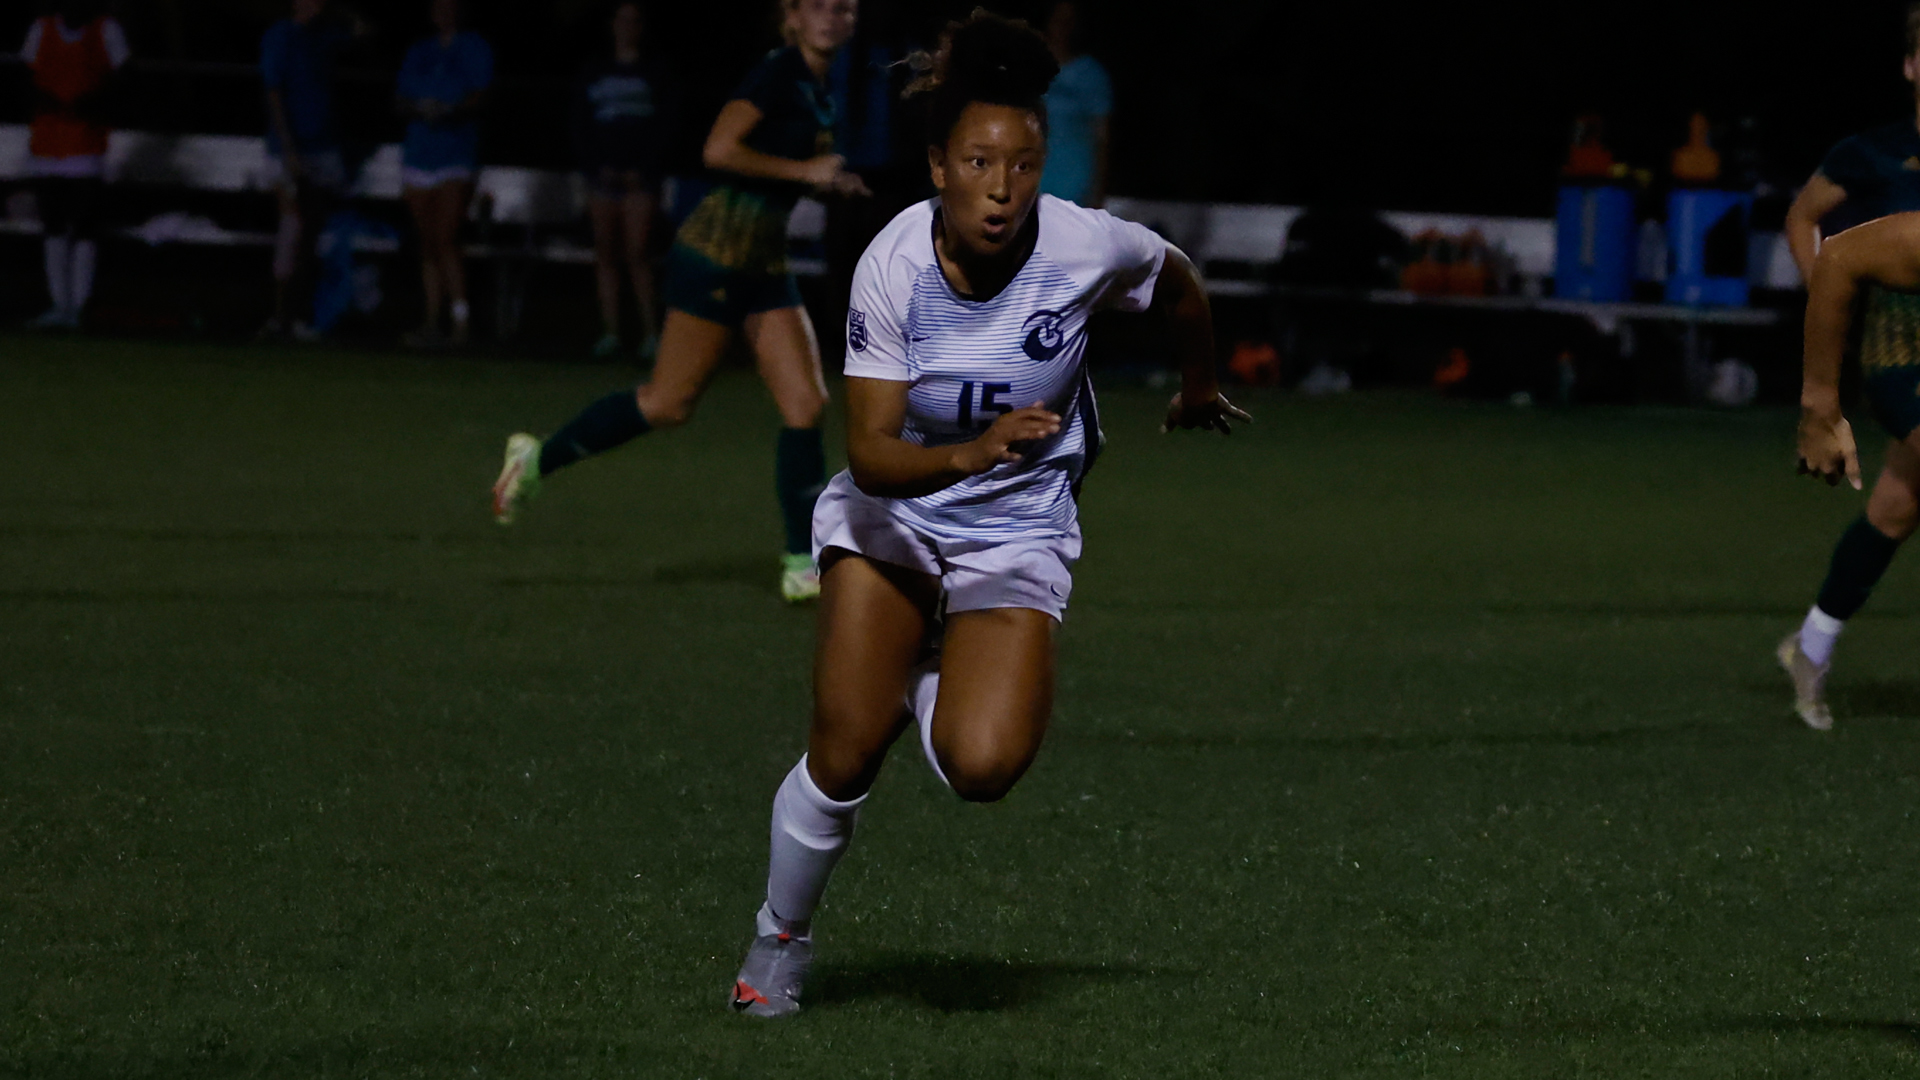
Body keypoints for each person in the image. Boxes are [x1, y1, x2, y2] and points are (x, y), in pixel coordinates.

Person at [724, 11, 1248, 1018]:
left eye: (1022, 164)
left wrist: (1195, 385)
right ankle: (777, 942)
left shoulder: (1085, 245)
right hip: (896, 524)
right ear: (937, 167)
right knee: (843, 751)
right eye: (977, 162)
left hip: (1017, 530)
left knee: (985, 766)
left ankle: (923, 666)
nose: (1003, 188)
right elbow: (870, 456)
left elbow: (1179, 279)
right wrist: (969, 450)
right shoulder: (894, 267)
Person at [491, 0, 872, 604]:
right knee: (668, 404)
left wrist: (830, 183)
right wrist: (804, 172)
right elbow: (718, 150)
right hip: (717, 254)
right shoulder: (776, 72)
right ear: (792, 16)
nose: (833, 16)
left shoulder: (821, 84)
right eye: (818, 6)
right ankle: (536, 459)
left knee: (805, 403)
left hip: (763, 263)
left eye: (843, 8)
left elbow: (788, 171)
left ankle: (802, 563)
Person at [1781, 211, 1920, 729]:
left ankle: (1811, 645)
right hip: (1906, 360)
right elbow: (1837, 257)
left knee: (1897, 510)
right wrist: (1819, 405)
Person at [1783, 2, 1920, 284]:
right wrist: (1825, 296)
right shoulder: (1869, 151)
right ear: (1909, 66)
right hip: (1888, 318)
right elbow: (1801, 218)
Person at [572, 0, 674, 360]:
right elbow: (582, 125)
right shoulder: (594, 71)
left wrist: (641, 169)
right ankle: (610, 333)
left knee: (637, 253)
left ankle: (650, 335)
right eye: (621, 19)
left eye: (634, 20)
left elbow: (662, 128)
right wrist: (597, 166)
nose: (627, 27)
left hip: (640, 179)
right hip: (602, 176)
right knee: (605, 253)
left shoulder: (655, 72)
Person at [21, 0, 129, 330]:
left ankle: (79, 307)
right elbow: (26, 80)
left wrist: (93, 103)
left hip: (86, 145)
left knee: (84, 226)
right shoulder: (43, 29)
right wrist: (48, 101)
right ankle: (60, 305)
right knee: (53, 225)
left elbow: (123, 81)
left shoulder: (105, 30)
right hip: (48, 144)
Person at [260, 0, 365, 341]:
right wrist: (289, 148)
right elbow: (273, 92)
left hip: (323, 147)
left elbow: (363, 31)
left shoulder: (323, 35)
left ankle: (309, 314)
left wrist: (339, 13)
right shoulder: (280, 36)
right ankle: (280, 315)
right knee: (293, 224)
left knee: (320, 231)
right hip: (290, 148)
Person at [396, 0, 494, 347]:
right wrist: (420, 107)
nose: (444, 11)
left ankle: (461, 321)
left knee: (447, 238)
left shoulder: (474, 47)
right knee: (427, 244)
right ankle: (431, 321)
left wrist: (450, 109)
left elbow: (481, 94)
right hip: (419, 154)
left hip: (455, 154)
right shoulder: (420, 51)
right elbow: (401, 97)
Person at [1035, 0, 1109, 208]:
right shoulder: (1029, 69)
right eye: (1058, 19)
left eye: (1069, 21)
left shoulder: (1091, 73)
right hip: (1034, 177)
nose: (1062, 26)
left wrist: (1097, 190)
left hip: (1075, 181)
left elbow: (1101, 137)